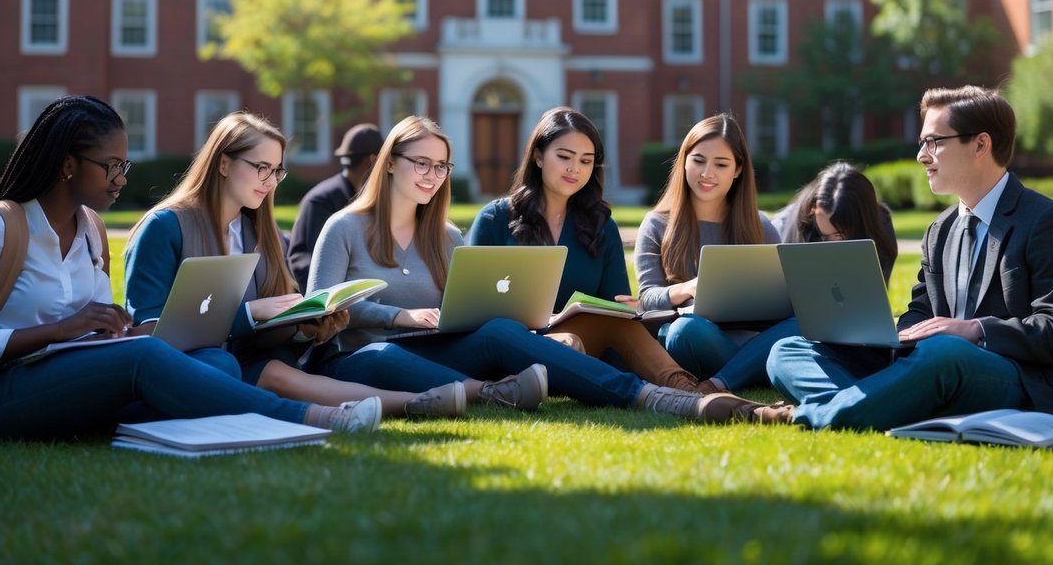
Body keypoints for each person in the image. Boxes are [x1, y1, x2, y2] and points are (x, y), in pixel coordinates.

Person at [0, 96, 369, 439]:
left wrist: (122, 331)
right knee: (147, 358)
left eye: (125, 165)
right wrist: (57, 331)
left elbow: (97, 335)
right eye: (111, 166)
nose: (122, 178)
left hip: (72, 378)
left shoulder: (90, 231)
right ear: (67, 164)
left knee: (216, 364)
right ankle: (311, 416)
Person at [309, 115, 777, 422]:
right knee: (421, 349)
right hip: (369, 352)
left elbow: (469, 310)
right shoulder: (344, 228)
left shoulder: (446, 237)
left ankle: (681, 393)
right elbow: (321, 312)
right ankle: (653, 396)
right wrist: (395, 316)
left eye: (441, 166)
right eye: (421, 164)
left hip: (442, 350)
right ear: (390, 164)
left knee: (510, 328)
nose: (432, 175)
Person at [764, 85, 1053, 430]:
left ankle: (814, 413)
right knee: (788, 351)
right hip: (937, 364)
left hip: (1018, 374)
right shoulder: (940, 230)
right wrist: (891, 336)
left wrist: (973, 330)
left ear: (980, 144)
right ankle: (886, 403)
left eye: (935, 142)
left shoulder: (1048, 222)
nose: (921, 155)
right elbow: (921, 311)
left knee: (943, 353)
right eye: (922, 143)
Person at [125, 111, 464, 422]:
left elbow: (270, 328)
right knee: (226, 366)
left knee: (276, 370)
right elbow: (146, 334)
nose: (270, 181)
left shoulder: (262, 233)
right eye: (260, 168)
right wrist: (248, 314)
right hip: (184, 364)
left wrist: (308, 326)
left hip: (249, 359)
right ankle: (333, 417)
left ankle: (414, 402)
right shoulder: (165, 226)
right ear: (224, 164)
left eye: (276, 171)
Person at [467, 107, 713, 393]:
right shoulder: (495, 219)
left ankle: (687, 389)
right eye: (564, 157)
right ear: (538, 157)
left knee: (615, 324)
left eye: (586, 161)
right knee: (563, 341)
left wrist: (626, 308)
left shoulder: (601, 225)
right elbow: (474, 308)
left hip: (579, 346)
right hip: (512, 347)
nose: (575, 168)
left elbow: (613, 306)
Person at [634, 114, 789, 394]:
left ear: (738, 170)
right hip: (697, 337)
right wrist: (686, 289)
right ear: (684, 162)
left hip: (751, 340)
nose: (708, 173)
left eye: (721, 164)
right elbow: (646, 299)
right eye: (698, 160)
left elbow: (782, 303)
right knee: (683, 331)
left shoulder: (761, 226)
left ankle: (724, 379)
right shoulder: (657, 224)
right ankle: (754, 372)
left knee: (804, 321)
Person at [288, 123, 383, 288]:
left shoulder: (369, 198)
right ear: (373, 160)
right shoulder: (321, 200)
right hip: (327, 305)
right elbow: (307, 264)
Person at [770, 160, 898, 282]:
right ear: (812, 209)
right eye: (823, 237)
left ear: (861, 223)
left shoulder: (881, 229)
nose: (831, 244)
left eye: (839, 235)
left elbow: (874, 293)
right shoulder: (785, 228)